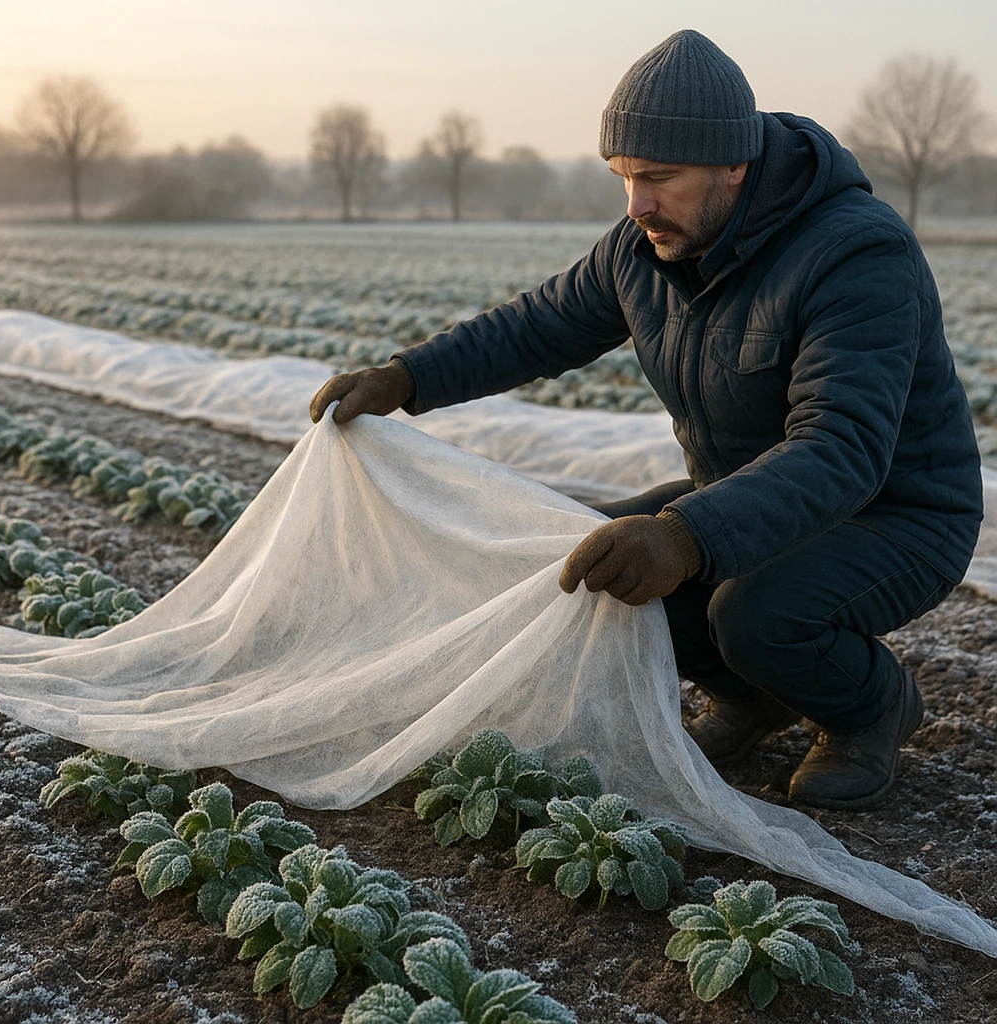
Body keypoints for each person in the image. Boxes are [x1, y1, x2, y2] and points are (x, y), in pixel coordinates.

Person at [309, 29, 983, 811]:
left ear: (735, 164)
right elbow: (535, 328)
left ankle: (873, 708)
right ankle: (752, 698)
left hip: (897, 513)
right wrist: (405, 377)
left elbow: (842, 449)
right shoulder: (643, 248)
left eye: (659, 178)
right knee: (599, 557)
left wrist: (686, 536)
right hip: (744, 494)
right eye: (625, 178)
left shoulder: (856, 254)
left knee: (752, 612)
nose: (637, 205)